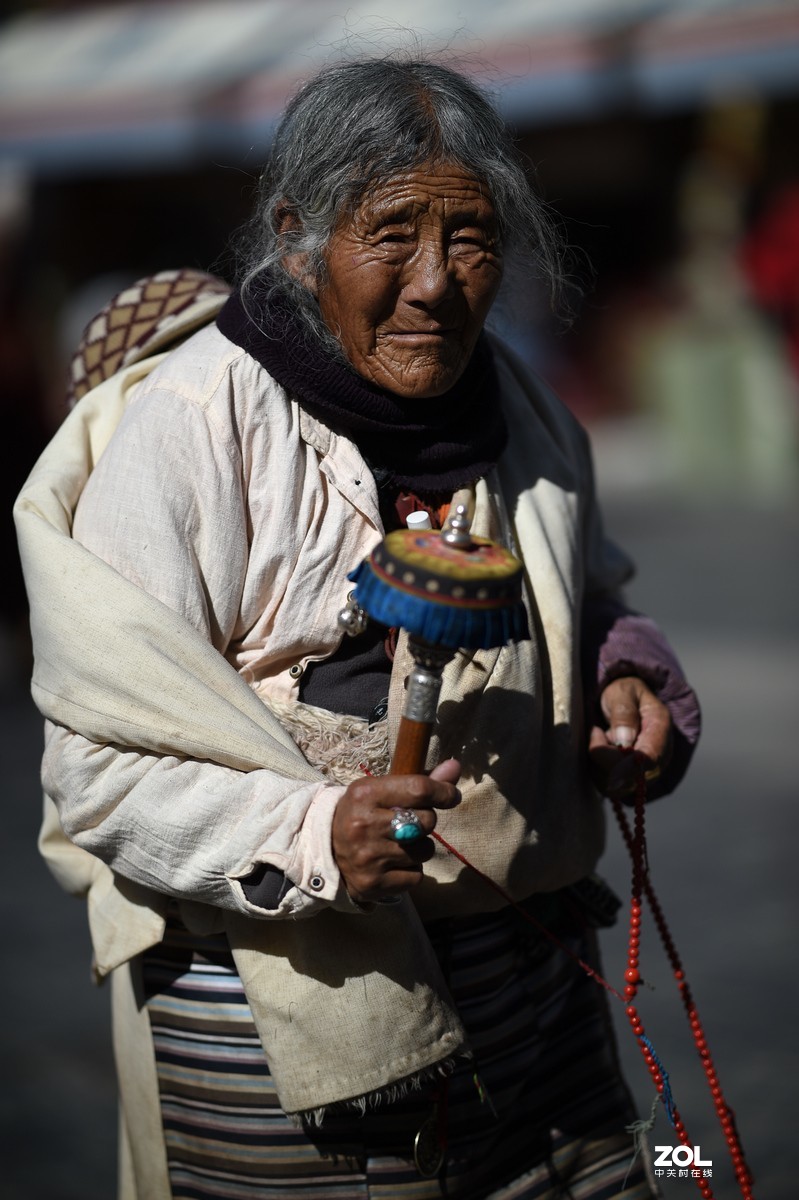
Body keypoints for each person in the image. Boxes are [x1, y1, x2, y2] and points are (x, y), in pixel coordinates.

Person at [16, 57, 700, 1200]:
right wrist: (314, 832)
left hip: (535, 994)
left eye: (470, 239)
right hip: (286, 1012)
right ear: (296, 237)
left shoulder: (520, 407)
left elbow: (585, 594)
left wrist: (621, 672)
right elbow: (94, 769)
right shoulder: (192, 427)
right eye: (391, 235)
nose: (434, 284)